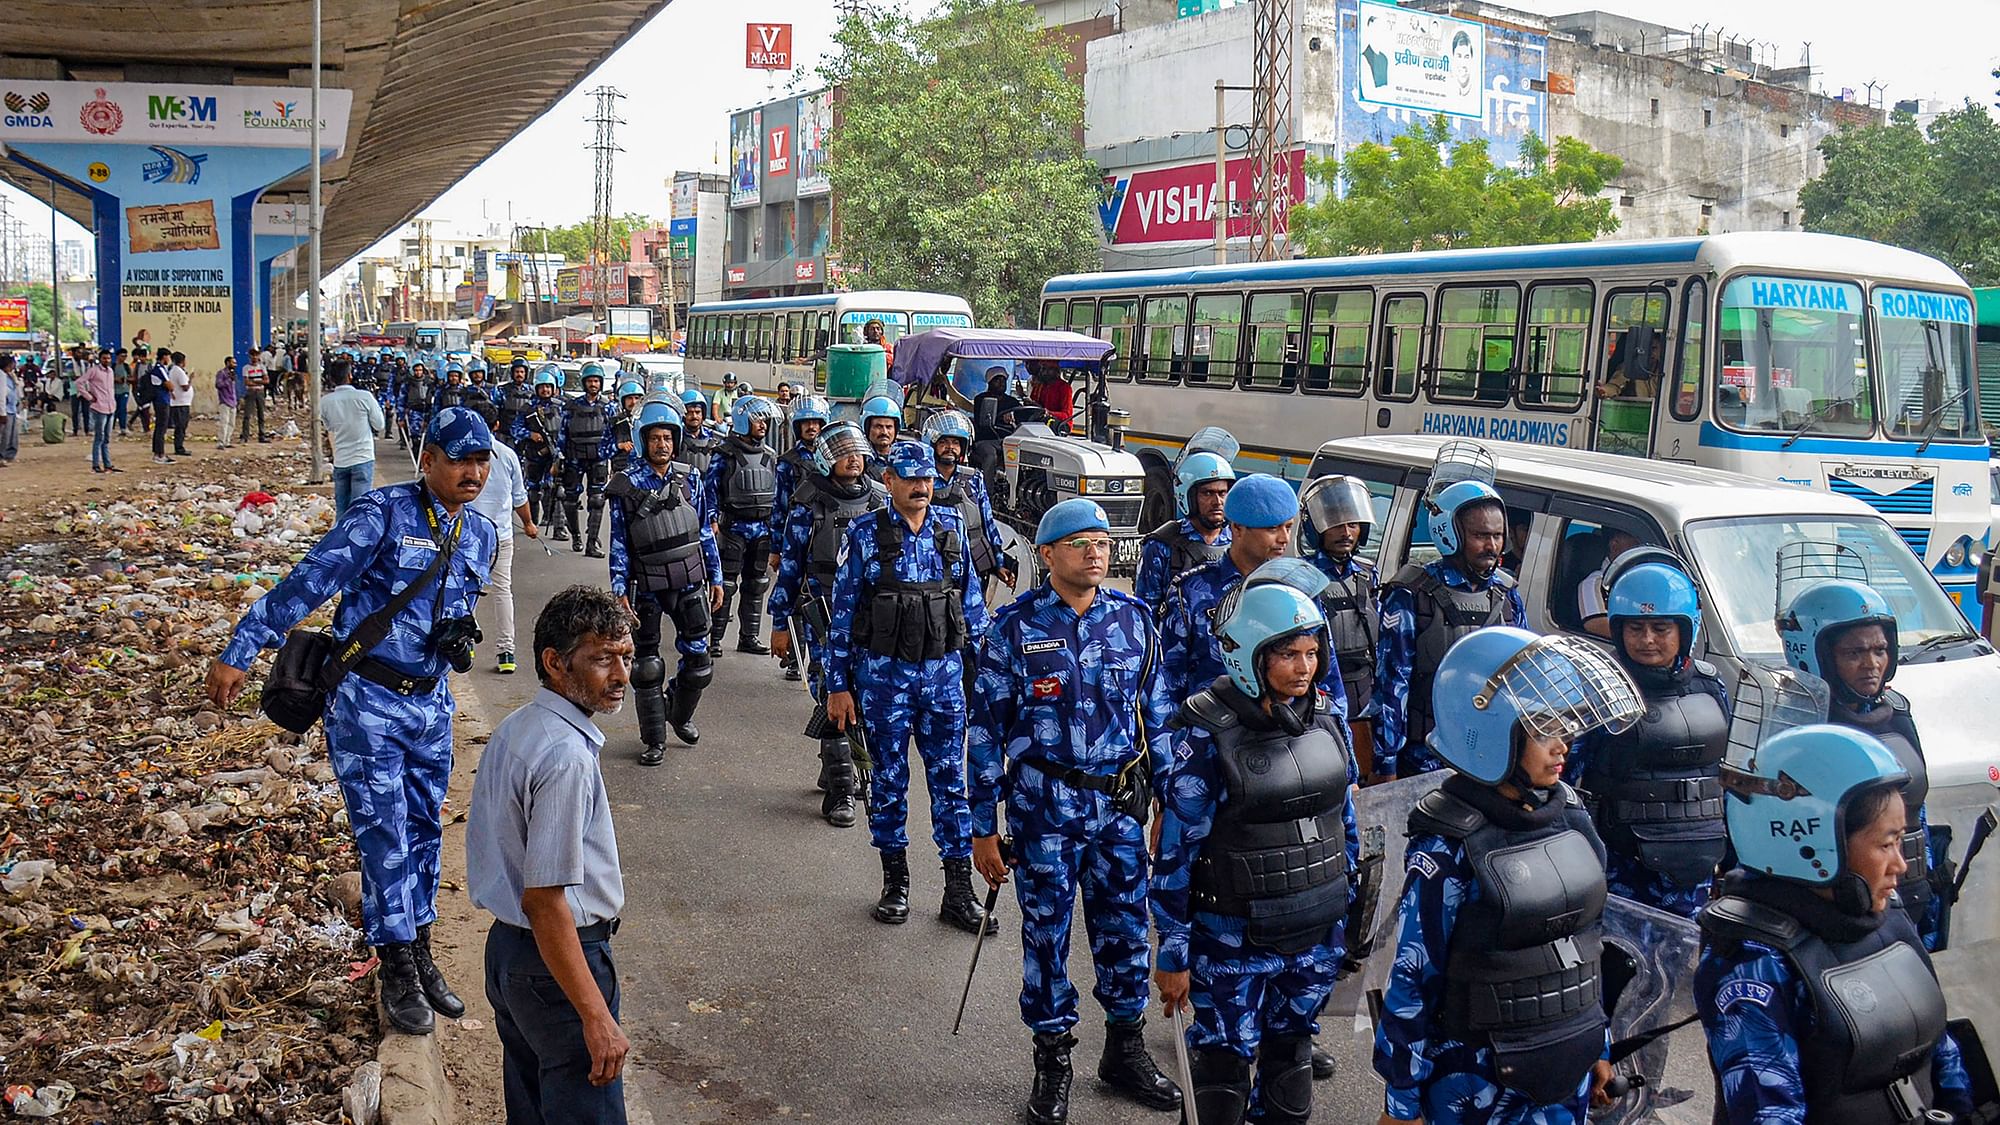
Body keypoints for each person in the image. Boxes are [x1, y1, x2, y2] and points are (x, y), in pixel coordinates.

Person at [206, 407, 499, 1036]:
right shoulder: (382, 515)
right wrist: (241, 648)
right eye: (458, 459)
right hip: (368, 702)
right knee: (383, 835)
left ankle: (419, 950)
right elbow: (308, 583)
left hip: (431, 703)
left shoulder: (480, 533)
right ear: (428, 462)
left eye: (482, 461)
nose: (472, 472)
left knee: (424, 829)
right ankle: (393, 963)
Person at [968, 498, 1183, 1125]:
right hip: (1043, 815)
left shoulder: (1136, 621)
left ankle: (1124, 1049)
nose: (1096, 551)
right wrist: (982, 829)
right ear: (1047, 555)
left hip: (1117, 809)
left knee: (1123, 934)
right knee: (1047, 937)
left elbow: (1162, 718)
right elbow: (984, 734)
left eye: (1102, 541)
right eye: (1080, 542)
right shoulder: (1012, 629)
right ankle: (1053, 1060)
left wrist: (1169, 801)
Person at [1373, 626, 1641, 1125]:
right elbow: (1413, 977)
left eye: (1566, 725)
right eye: (1543, 729)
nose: (1562, 745)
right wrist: (1401, 1099)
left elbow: (1587, 945)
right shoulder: (1449, 846)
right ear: (1490, 734)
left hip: (1565, 1069)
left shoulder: (1572, 817)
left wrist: (1597, 1046)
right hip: (1475, 1080)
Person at [1154, 571, 1358, 1125]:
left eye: (1312, 653)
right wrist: (1173, 953)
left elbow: (1347, 822)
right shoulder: (1205, 734)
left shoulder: (1329, 721)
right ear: (1250, 656)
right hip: (1231, 944)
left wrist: (1350, 910)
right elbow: (1176, 853)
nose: (1304, 668)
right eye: (1288, 655)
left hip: (1312, 935)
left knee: (1291, 1071)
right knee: (1221, 1077)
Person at [1697, 724, 1973, 1123]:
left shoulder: (1882, 913)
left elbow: (1940, 1049)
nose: (1901, 864)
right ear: (1811, 841)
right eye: (1886, 843)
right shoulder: (1753, 960)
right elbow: (1769, 1113)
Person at [467, 585, 634, 1124]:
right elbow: (544, 900)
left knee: (533, 1109)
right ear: (555, 663)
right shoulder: (566, 758)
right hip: (559, 963)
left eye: (624, 657)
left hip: (511, 957)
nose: (621, 676)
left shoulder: (520, 728)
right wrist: (594, 1015)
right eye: (601, 659)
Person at [824, 439, 991, 933]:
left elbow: (972, 607)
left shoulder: (952, 529)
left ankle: (958, 891)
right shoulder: (864, 534)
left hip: (943, 682)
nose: (921, 486)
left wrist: (987, 678)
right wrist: (838, 685)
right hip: (883, 683)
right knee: (890, 784)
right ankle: (895, 883)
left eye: (927, 479)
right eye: (909, 478)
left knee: (950, 785)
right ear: (889, 481)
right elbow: (844, 617)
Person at [1778, 579, 1943, 949]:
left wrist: (1929, 878)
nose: (1872, 665)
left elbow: (1918, 809)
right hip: (1844, 914)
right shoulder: (1797, 726)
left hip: (1910, 894)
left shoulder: (1897, 712)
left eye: (1880, 650)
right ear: (1816, 654)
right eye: (1854, 653)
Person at [1564, 551, 1731, 918]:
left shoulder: (1710, 684)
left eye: (1661, 628)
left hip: (1699, 862)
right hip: (1622, 863)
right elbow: (1562, 774)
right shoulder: (1599, 688)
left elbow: (1734, 770)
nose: (1648, 640)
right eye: (1636, 628)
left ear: (1684, 629)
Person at [768, 422, 884, 825]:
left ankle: (837, 763)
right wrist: (780, 622)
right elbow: (789, 569)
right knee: (832, 696)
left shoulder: (881, 501)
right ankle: (840, 795)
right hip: (824, 615)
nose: (853, 459)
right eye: (843, 453)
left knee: (864, 700)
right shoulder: (807, 504)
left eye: (857, 452)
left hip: (873, 620)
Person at [1375, 478, 1526, 780]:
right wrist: (1386, 763)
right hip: (1425, 759)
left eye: (1498, 536)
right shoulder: (1410, 594)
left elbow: (1524, 678)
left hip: (1490, 757)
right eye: (1481, 535)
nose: (1492, 546)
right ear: (1450, 535)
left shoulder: (1507, 594)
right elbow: (1392, 685)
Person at [607, 399, 724, 765]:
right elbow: (619, 542)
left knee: (699, 659)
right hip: (647, 586)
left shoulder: (691, 478)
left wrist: (716, 576)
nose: (662, 444)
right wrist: (618, 591)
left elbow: (704, 530)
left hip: (689, 581)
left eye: (668, 438)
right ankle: (654, 739)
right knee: (646, 666)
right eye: (655, 438)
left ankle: (680, 714)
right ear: (644, 441)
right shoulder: (625, 485)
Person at [1162, 474, 1338, 711]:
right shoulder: (1191, 593)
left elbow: (1330, 681)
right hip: (1213, 735)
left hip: (1289, 736)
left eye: (1288, 527)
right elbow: (1168, 683)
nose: (1284, 539)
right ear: (1237, 528)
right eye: (1272, 529)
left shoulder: (1299, 590)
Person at [1300, 474, 1380, 776]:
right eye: (1336, 524)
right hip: (1324, 691)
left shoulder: (1368, 575)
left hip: (1365, 691)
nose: (1346, 532)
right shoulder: (1303, 577)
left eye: (1353, 524)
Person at [705, 395, 782, 654]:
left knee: (756, 584)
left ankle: (748, 637)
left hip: (762, 529)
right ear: (741, 420)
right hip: (733, 528)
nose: (762, 424)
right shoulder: (724, 453)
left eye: (764, 419)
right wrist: (712, 520)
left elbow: (777, 493)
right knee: (725, 584)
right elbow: (710, 490)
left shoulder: (770, 456)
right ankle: (714, 639)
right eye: (756, 418)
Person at [923, 407, 1015, 597]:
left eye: (956, 442)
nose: (950, 447)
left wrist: (999, 563)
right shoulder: (922, 479)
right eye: (944, 442)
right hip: (931, 567)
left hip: (972, 568)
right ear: (932, 444)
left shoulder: (974, 478)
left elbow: (988, 523)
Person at [468, 430, 539, 675]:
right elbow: (519, 497)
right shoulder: (508, 455)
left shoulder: (462, 454)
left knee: (467, 588)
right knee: (502, 590)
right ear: (497, 424)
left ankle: (466, 642)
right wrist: (528, 523)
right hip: (501, 536)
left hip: (468, 533)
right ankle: (506, 652)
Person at [1134, 451, 1234, 617]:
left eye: (1222, 493)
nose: (1217, 502)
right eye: (1207, 493)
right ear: (1188, 496)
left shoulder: (1238, 541)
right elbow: (1145, 614)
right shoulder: (1162, 546)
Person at [559, 360, 617, 558]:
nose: (593, 384)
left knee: (597, 500)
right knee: (570, 498)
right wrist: (559, 458)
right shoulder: (571, 407)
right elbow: (562, 434)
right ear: (584, 383)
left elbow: (613, 434)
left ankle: (592, 542)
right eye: (590, 381)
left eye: (596, 381)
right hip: (574, 457)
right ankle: (575, 535)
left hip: (598, 458)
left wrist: (609, 455)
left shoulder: (609, 407)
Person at [320, 358, 386, 521]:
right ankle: (357, 544)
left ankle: (341, 542)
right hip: (362, 459)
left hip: (341, 461)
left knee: (342, 511)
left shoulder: (325, 402)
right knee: (360, 511)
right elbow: (379, 425)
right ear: (350, 375)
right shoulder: (365, 397)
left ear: (331, 378)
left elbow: (330, 428)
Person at [513, 366, 567, 539]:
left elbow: (567, 429)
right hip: (534, 454)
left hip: (555, 454)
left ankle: (559, 527)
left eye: (548, 386)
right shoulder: (528, 409)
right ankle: (532, 522)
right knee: (534, 490)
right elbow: (515, 429)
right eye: (542, 386)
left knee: (557, 490)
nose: (545, 390)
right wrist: (530, 434)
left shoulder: (562, 407)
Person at [1577, 529, 1641, 639]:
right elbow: (1596, 624)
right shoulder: (1595, 582)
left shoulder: (1638, 581)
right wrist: (1644, 638)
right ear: (1614, 546)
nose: (1641, 550)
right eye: (1635, 545)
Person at [81, 348, 117, 473]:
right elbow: (79, 383)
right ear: (100, 359)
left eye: (108, 358)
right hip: (99, 407)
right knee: (99, 438)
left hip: (110, 407)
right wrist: (89, 397)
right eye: (104, 358)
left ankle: (107, 464)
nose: (107, 360)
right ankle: (96, 465)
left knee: (107, 438)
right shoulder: (94, 371)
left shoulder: (111, 371)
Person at [675, 389, 721, 478]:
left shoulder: (715, 438)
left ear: (703, 414)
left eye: (697, 412)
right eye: (690, 413)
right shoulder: (676, 438)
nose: (694, 416)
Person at [605, 379, 645, 474]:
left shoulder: (647, 420)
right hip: (620, 468)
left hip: (642, 469)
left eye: (637, 398)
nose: (634, 402)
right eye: (629, 398)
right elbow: (603, 446)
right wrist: (620, 445)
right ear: (623, 400)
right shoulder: (615, 422)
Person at [859, 393, 902, 481]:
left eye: (889, 427)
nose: (884, 432)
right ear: (867, 428)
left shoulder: (903, 456)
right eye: (878, 426)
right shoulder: (860, 457)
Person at [495, 360, 535, 449]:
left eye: (522, 372)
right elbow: (495, 411)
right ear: (512, 373)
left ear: (526, 374)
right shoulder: (502, 390)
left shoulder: (532, 392)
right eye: (517, 372)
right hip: (505, 436)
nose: (519, 374)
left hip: (525, 437)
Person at [1028, 360, 1074, 435]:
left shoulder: (1064, 388)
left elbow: (1066, 416)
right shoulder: (1041, 386)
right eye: (1042, 369)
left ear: (1055, 371)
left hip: (1061, 424)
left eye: (1045, 369)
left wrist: (1049, 413)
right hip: (1042, 419)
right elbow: (1035, 405)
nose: (1042, 372)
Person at [400, 360, 436, 451]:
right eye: (416, 370)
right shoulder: (407, 383)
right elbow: (401, 400)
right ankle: (417, 456)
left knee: (427, 437)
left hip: (427, 411)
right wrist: (401, 417)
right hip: (414, 411)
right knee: (416, 437)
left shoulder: (429, 383)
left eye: (420, 370)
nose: (418, 372)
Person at [165, 351, 193, 456]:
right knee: (181, 426)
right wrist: (191, 379)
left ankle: (179, 446)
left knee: (180, 426)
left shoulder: (173, 370)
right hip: (181, 403)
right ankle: (179, 447)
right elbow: (185, 387)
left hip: (180, 402)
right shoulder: (178, 371)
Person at [241, 355, 271, 443]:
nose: (254, 358)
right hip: (251, 392)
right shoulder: (246, 368)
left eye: (256, 356)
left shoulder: (262, 367)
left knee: (261, 414)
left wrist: (253, 381)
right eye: (252, 356)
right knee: (247, 415)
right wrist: (259, 382)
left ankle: (262, 435)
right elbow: (247, 382)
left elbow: (267, 381)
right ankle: (245, 436)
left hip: (260, 392)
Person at [214, 355, 240, 451]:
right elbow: (218, 385)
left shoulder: (232, 375)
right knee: (224, 423)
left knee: (231, 423)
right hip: (225, 401)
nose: (235, 365)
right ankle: (221, 442)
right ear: (228, 363)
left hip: (233, 401)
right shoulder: (221, 373)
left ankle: (227, 441)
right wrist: (228, 381)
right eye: (233, 363)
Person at [0, 354, 20, 467]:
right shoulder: (1, 376)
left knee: (12, 435)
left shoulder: (9, 376)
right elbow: (2, 395)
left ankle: (9, 454)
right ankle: (1, 456)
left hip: (12, 408)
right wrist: (2, 413)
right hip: (5, 409)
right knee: (4, 435)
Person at [112, 347, 133, 436]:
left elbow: (131, 377)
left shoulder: (126, 366)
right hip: (114, 391)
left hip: (124, 391)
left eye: (125, 356)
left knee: (122, 409)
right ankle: (111, 427)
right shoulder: (112, 367)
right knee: (114, 410)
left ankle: (123, 427)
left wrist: (127, 379)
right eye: (122, 356)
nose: (123, 358)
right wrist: (116, 379)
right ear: (117, 356)